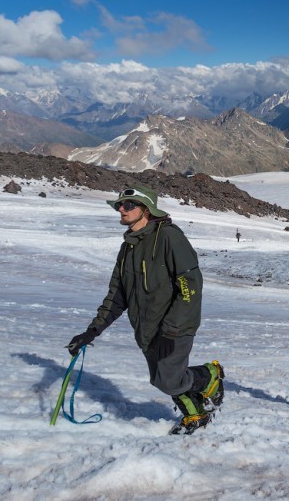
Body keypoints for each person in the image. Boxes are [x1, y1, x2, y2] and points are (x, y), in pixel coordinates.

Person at [66, 185, 224, 435]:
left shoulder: (169, 237)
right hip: (146, 328)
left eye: (129, 205)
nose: (121, 209)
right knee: (162, 378)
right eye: (120, 205)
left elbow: (190, 286)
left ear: (147, 210)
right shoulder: (127, 247)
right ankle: (204, 389)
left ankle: (202, 397)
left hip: (176, 325)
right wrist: (92, 332)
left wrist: (171, 330)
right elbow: (117, 295)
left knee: (168, 379)